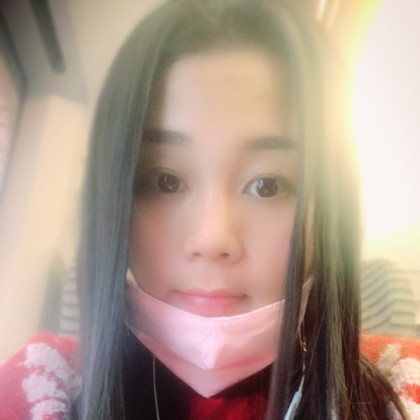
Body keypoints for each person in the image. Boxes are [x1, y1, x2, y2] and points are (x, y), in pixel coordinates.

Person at [0, 1, 419, 419]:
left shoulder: (403, 391)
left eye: (267, 185)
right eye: (165, 181)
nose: (211, 238)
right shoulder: (39, 388)